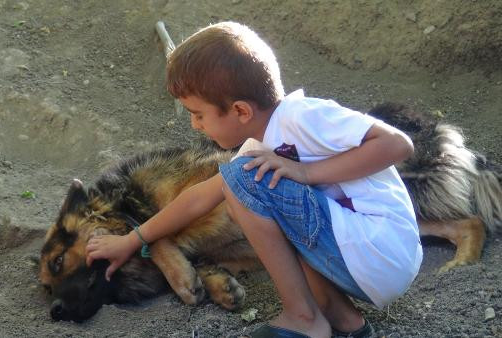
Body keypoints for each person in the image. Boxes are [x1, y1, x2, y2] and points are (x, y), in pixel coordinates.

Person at [86, 21, 422, 338]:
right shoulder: (259, 147)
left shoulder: (302, 117)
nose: (195, 125)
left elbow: (397, 144)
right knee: (245, 182)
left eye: (198, 114)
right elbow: (198, 198)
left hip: (379, 248)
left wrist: (307, 172)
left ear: (241, 111)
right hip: (362, 258)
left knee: (242, 181)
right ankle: (344, 320)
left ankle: (303, 318)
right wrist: (132, 240)